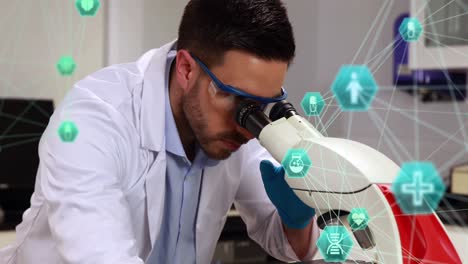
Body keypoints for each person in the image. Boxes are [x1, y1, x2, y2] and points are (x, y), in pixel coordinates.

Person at [0, 0, 319, 263]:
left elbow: (288, 244)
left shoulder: (233, 128)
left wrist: (298, 219)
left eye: (262, 104)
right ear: (186, 69)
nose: (246, 127)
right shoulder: (94, 119)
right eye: (234, 98)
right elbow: (100, 256)